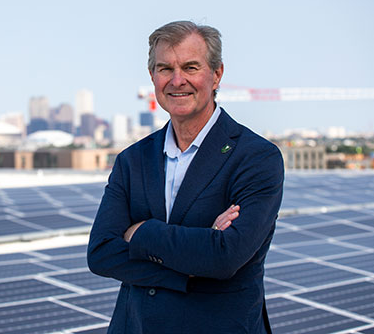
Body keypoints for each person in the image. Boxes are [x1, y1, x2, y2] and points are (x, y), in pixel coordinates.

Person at [87, 21, 284, 333]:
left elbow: (224, 256)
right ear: (152, 76)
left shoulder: (256, 157)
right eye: (165, 68)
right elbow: (101, 253)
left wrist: (141, 232)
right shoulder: (132, 159)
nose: (177, 81)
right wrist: (188, 267)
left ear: (217, 74)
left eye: (191, 67)